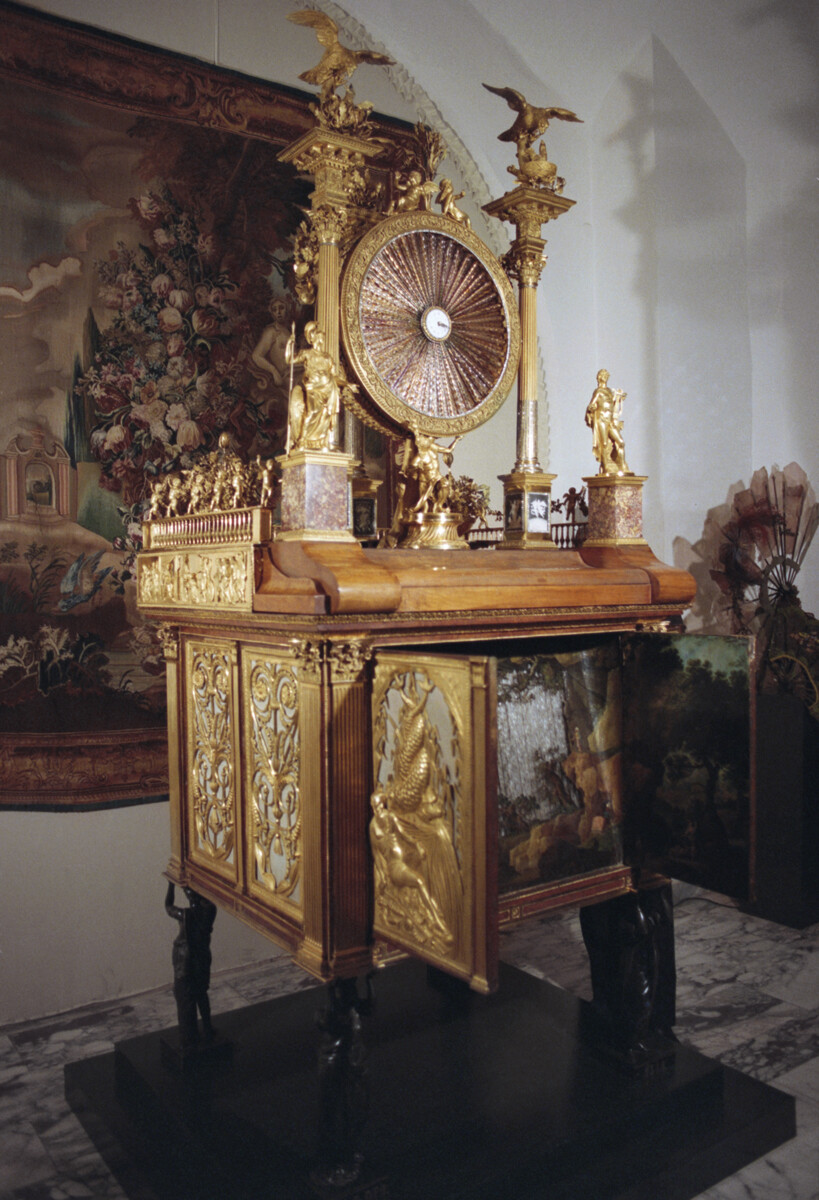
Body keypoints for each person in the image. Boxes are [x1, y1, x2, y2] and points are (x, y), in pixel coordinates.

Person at [285, 322, 348, 452]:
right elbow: (290, 360)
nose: (321, 338)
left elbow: (334, 376)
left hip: (328, 389)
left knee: (325, 415)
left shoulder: (328, 358)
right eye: (317, 335)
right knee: (311, 412)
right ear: (311, 338)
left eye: (321, 336)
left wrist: (348, 384)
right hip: (313, 389)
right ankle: (302, 440)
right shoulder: (307, 353)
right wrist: (289, 345)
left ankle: (322, 442)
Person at [585, 368, 630, 475]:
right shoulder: (598, 391)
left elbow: (613, 405)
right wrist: (591, 408)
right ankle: (606, 465)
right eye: (603, 375)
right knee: (604, 443)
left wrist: (619, 398)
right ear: (599, 378)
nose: (605, 377)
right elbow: (591, 404)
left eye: (606, 376)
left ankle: (622, 465)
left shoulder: (609, 391)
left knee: (621, 442)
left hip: (610, 421)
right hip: (601, 419)